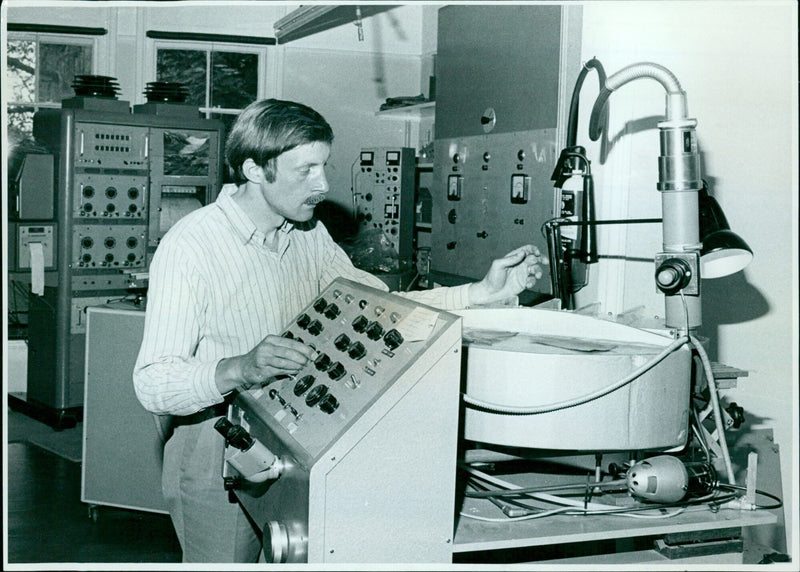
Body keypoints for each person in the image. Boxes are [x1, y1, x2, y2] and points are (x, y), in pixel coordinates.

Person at [133, 98, 546, 563]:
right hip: (218, 439)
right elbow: (152, 382)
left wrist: (479, 293)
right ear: (253, 168)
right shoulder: (191, 246)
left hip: (296, 428)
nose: (323, 184)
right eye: (305, 170)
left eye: (324, 166)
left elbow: (380, 310)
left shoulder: (308, 234)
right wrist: (239, 368)